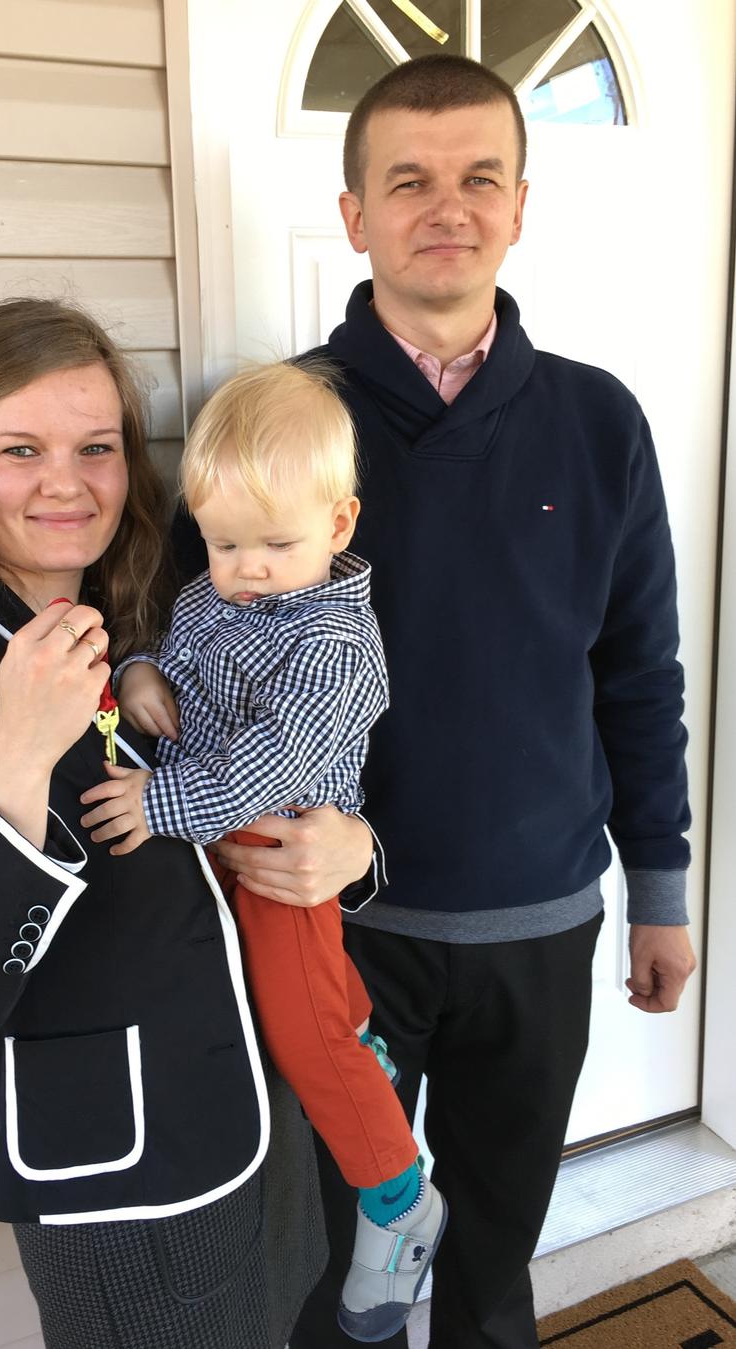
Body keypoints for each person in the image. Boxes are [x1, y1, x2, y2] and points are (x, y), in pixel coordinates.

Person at [171, 54, 697, 1349]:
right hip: (334, 934)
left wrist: (663, 892)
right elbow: (202, 685)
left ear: (521, 204)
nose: (445, 207)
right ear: (355, 213)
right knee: (333, 1263)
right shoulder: (275, 423)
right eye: (408, 180)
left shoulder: (598, 421)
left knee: (495, 1256)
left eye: (478, 178)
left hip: (539, 922)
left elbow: (637, 672)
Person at [0, 298, 330, 1349]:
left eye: (96, 446)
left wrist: (355, 852)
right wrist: (19, 749)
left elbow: (272, 784)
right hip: (129, 1179)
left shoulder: (150, 611)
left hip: (260, 1103)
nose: (68, 480)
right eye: (21, 449)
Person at [80, 360, 447, 1342]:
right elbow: (180, 652)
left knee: (300, 1027)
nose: (242, 567)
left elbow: (255, 770)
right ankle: (359, 1042)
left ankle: (397, 1195)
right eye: (223, 539)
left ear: (338, 524)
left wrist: (156, 799)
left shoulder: (334, 644)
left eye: (273, 543)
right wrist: (139, 666)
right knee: (306, 1006)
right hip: (216, 845)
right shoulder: (215, 593)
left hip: (281, 851)